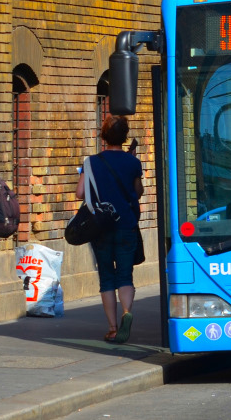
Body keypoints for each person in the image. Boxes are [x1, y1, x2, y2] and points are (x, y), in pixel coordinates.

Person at [76, 115, 144, 344]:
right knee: (125, 275)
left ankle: (113, 328)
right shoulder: (133, 163)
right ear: (125, 137)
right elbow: (138, 191)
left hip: (101, 227)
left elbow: (80, 193)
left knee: (106, 277)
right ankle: (127, 312)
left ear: (103, 136)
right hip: (126, 224)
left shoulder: (91, 162)